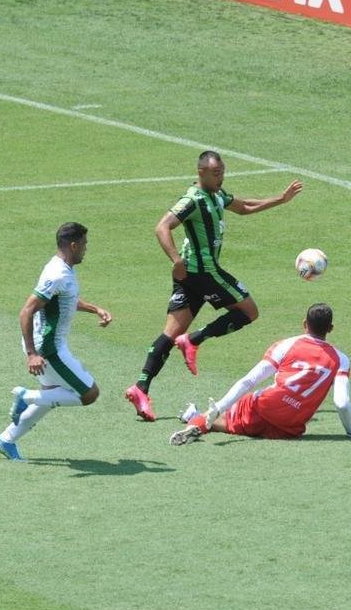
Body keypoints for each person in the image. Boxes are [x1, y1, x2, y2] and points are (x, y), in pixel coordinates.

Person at [124, 150, 303, 421]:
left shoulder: (217, 195)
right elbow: (162, 227)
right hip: (203, 272)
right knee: (249, 311)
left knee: (170, 333)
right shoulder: (192, 200)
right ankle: (194, 340)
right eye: (216, 173)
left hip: (190, 277)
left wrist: (280, 199)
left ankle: (140, 388)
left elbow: (244, 207)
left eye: (222, 172)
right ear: (201, 173)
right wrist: (175, 259)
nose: (221, 177)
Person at [169, 303, 351, 444]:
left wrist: (221, 405)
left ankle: (194, 420)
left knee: (217, 418)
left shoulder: (286, 345)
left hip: (261, 408)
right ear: (331, 328)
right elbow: (342, 402)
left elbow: (249, 380)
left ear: (305, 324)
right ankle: (199, 419)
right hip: (289, 428)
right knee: (230, 424)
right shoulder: (341, 359)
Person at [0, 222, 112, 460]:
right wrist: (32, 354)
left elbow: (67, 299)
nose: (86, 249)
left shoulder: (63, 269)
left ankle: (6, 440)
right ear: (74, 245)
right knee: (89, 394)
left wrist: (95, 309)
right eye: (85, 244)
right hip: (48, 348)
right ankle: (25, 396)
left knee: (52, 396)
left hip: (51, 345)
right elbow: (26, 311)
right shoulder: (56, 274)